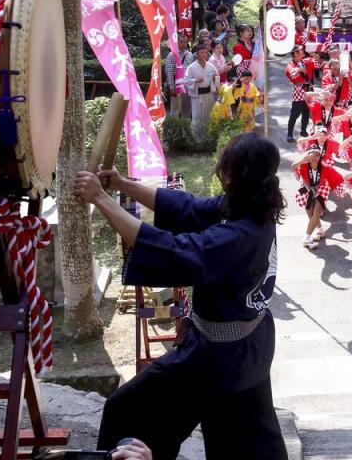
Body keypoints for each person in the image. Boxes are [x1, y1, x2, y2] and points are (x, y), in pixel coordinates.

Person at [76, 134, 289, 459]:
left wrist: (102, 199)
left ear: (234, 176)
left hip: (218, 358)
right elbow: (189, 207)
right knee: (242, 434)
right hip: (248, 346)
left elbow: (174, 250)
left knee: (128, 411)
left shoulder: (234, 237)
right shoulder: (253, 207)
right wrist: (123, 185)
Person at [292, 144, 344, 249]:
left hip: (322, 189)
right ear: (307, 155)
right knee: (309, 212)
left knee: (316, 213)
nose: (315, 158)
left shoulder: (325, 167)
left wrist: (340, 189)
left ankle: (306, 238)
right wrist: (302, 160)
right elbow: (293, 167)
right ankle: (320, 230)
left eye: (317, 155)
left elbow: (338, 177)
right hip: (307, 188)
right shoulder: (303, 164)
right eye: (313, 155)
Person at [285, 46, 319, 142]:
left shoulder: (306, 61)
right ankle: (289, 134)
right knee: (295, 113)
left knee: (306, 111)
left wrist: (312, 53)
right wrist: (300, 70)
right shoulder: (290, 65)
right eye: (301, 51)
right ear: (295, 54)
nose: (303, 52)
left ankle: (303, 130)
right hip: (299, 90)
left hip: (309, 89)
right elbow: (292, 74)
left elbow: (319, 62)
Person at [185, 47, 220, 139]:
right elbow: (186, 80)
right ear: (197, 54)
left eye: (205, 53)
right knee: (197, 116)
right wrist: (195, 80)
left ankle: (208, 137)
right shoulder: (191, 67)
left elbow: (217, 77)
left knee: (208, 115)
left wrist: (213, 78)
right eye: (201, 53)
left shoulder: (210, 66)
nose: (204, 55)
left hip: (208, 94)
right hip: (197, 95)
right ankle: (196, 138)